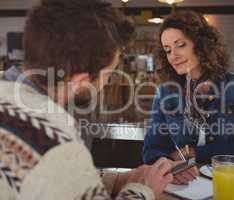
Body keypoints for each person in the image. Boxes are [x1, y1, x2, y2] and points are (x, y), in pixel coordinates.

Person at [0, 0, 174, 199]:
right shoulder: (55, 138)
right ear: (81, 81)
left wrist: (116, 180)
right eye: (108, 74)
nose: (107, 82)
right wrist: (144, 189)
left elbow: (57, 181)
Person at [143, 11, 234, 184]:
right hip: (184, 183)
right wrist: (169, 165)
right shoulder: (165, 92)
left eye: (180, 45)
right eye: (168, 50)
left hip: (227, 178)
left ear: (201, 44)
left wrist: (193, 153)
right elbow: (152, 149)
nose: (173, 55)